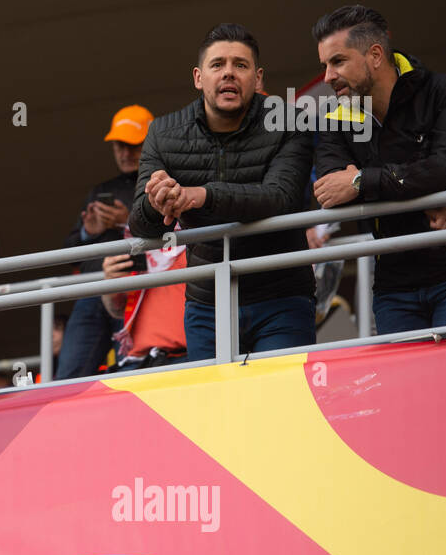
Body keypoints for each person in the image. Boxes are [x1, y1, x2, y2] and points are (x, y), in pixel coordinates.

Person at [311, 4, 446, 333]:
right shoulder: (333, 119)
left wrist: (359, 180)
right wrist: (426, 199)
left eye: (338, 61)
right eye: (325, 65)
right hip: (394, 288)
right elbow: (333, 194)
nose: (328, 76)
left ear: (375, 55)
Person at [129, 24, 315, 359]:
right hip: (207, 304)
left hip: (282, 298)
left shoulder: (291, 121)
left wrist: (202, 195)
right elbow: (141, 226)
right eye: (218, 65)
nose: (229, 73)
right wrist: (157, 203)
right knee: (213, 396)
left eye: (240, 65)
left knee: (281, 394)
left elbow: (281, 199)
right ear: (198, 77)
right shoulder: (162, 132)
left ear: (258, 78)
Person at [56, 105, 152, 379]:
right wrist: (89, 232)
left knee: (133, 374)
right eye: (119, 146)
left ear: (151, 143)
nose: (125, 153)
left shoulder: (161, 183)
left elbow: (175, 241)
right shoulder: (101, 190)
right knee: (67, 379)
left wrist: (127, 221)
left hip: (138, 289)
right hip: (94, 288)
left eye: (133, 145)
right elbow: (70, 254)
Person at [100, 232, 188, 371]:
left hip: (187, 358)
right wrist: (110, 282)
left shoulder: (198, 237)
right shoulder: (136, 246)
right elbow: (116, 310)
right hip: (139, 361)